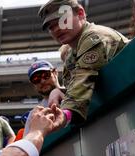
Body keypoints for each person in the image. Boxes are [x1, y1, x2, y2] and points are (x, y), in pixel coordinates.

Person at [38, 0, 129, 128]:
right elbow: (77, 84)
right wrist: (60, 91)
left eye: (63, 20)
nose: (57, 29)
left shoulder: (94, 36)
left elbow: (84, 77)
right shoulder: (71, 53)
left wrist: (64, 115)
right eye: (51, 27)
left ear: (80, 13)